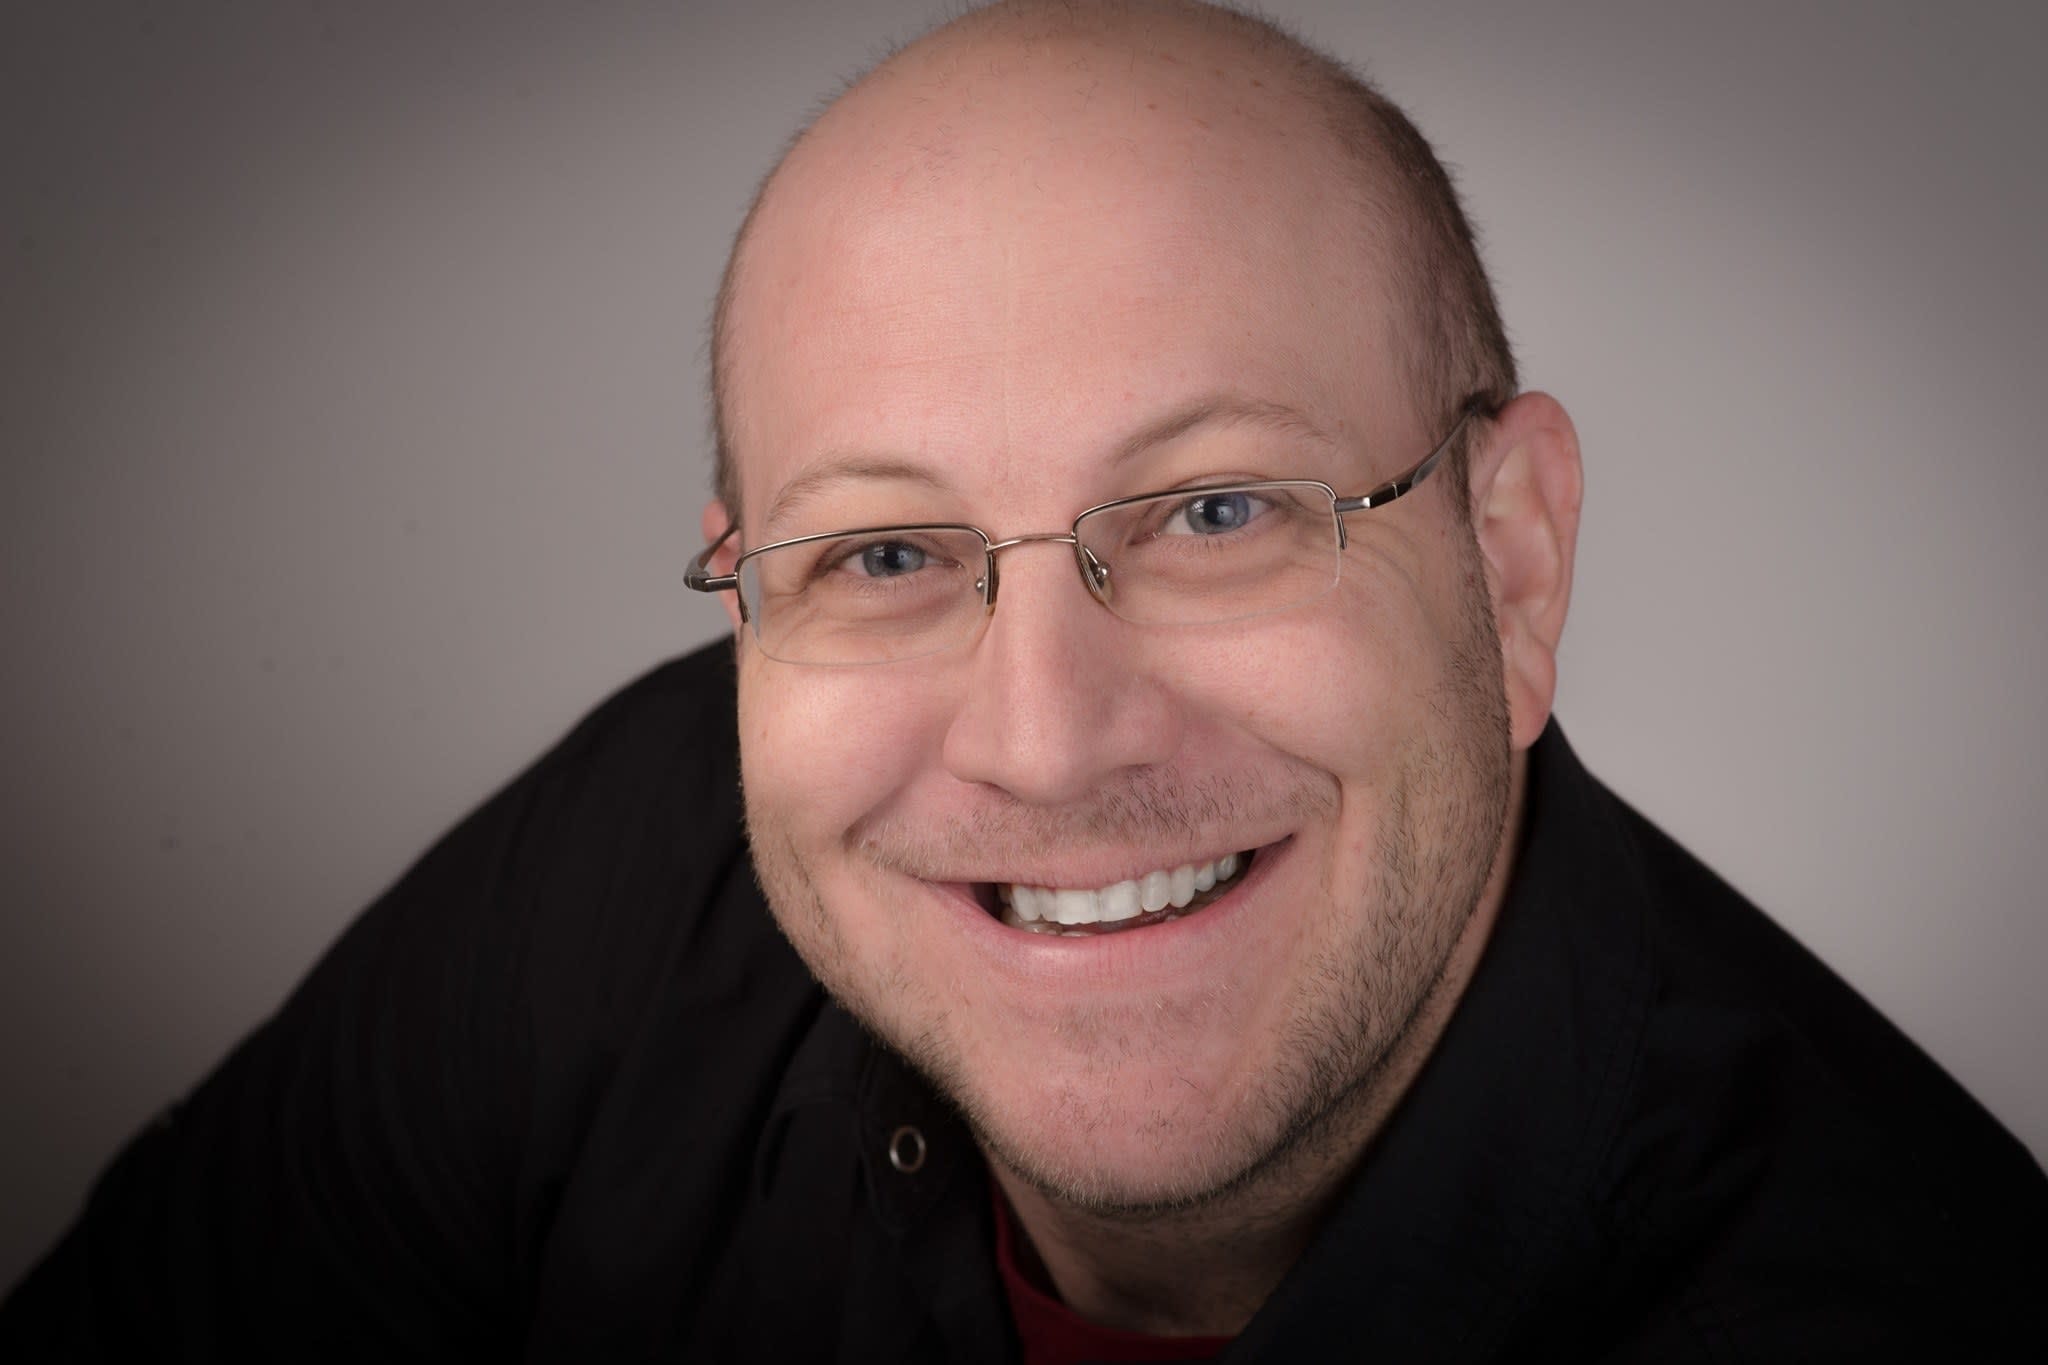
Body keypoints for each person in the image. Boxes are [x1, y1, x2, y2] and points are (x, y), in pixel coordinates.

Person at [5, 1, 2042, 1359]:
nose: (1047, 740)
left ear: (1508, 563)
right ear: (751, 604)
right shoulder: (635, 869)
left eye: (1219, 510)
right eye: (884, 554)